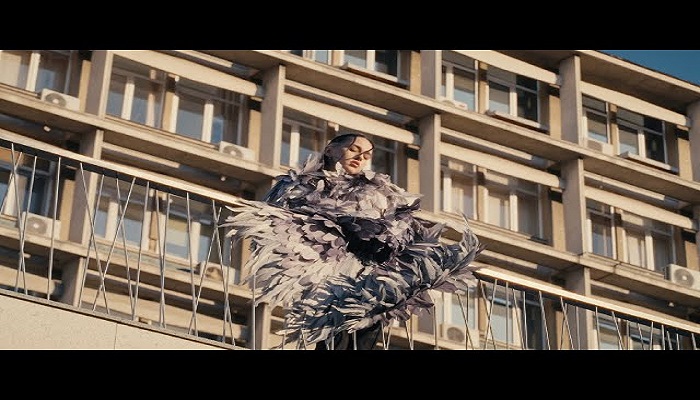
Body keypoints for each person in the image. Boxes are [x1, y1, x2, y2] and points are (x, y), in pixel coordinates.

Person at [223, 132, 483, 350]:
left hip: (373, 276)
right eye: (354, 149)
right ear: (330, 149)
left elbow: (402, 227)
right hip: (328, 268)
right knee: (333, 331)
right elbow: (290, 212)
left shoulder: (380, 191)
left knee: (366, 332)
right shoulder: (304, 183)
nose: (360, 157)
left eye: (367, 155)